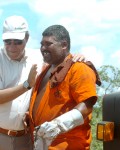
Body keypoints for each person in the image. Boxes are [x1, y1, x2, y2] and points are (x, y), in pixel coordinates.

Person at [0, 15, 87, 150]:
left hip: (26, 138)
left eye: (17, 41)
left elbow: (60, 60)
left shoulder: (38, 57)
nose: (12, 46)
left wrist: (76, 57)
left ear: (27, 38)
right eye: (7, 41)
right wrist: (26, 85)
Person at [29, 25, 101, 150]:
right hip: (41, 144)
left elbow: (87, 104)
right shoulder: (45, 70)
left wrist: (59, 125)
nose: (43, 48)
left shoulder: (79, 68)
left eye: (48, 44)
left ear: (64, 45)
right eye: (42, 44)